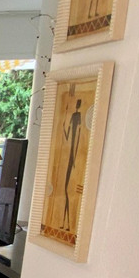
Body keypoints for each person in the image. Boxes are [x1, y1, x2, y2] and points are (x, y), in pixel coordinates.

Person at [61, 96, 84, 230]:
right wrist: (64, 120)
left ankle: (68, 224)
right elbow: (67, 134)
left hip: (73, 155)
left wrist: (75, 157)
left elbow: (78, 134)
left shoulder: (78, 116)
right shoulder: (75, 116)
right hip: (70, 154)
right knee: (65, 190)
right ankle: (66, 223)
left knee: (68, 190)